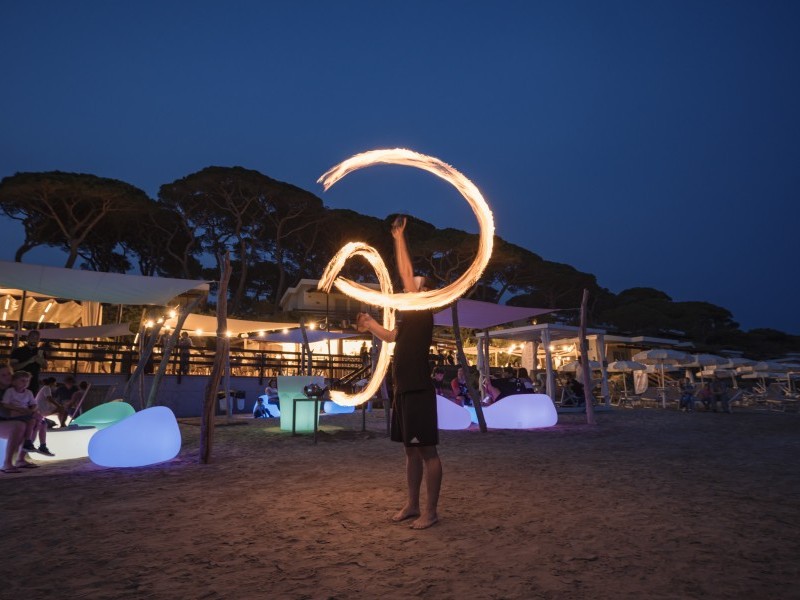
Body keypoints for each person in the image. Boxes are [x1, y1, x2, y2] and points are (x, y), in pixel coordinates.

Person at [356, 215, 441, 530]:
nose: (410, 283)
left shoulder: (422, 312)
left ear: (424, 292)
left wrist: (398, 238)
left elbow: (405, 274)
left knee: (427, 451)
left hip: (418, 389)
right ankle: (412, 504)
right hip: (402, 390)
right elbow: (392, 338)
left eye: (416, 283)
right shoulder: (409, 321)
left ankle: (430, 512)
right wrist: (371, 325)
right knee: (410, 452)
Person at [1, 371, 53, 456]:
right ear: (14, 382)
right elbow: (5, 404)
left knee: (43, 423)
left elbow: (34, 404)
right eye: (22, 380)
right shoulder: (10, 391)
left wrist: (32, 410)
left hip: (26, 413)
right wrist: (19, 409)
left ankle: (43, 445)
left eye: (27, 381)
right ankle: (27, 442)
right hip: (16, 413)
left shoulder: (28, 392)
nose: (25, 383)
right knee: (34, 421)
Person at [0, 363, 36, 473]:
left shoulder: (15, 388)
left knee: (36, 422)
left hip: (8, 421)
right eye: (3, 375)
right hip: (3, 421)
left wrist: (31, 412)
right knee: (19, 425)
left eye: (9, 374)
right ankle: (7, 463)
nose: (7, 377)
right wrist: (25, 413)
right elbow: (5, 413)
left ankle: (21, 459)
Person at [9, 330, 47, 395]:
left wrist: (41, 360)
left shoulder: (40, 352)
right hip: (19, 384)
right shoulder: (18, 351)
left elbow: (45, 366)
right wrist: (28, 361)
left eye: (37, 338)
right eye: (32, 337)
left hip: (34, 384)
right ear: (27, 338)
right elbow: (12, 367)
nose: (34, 340)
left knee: (31, 404)